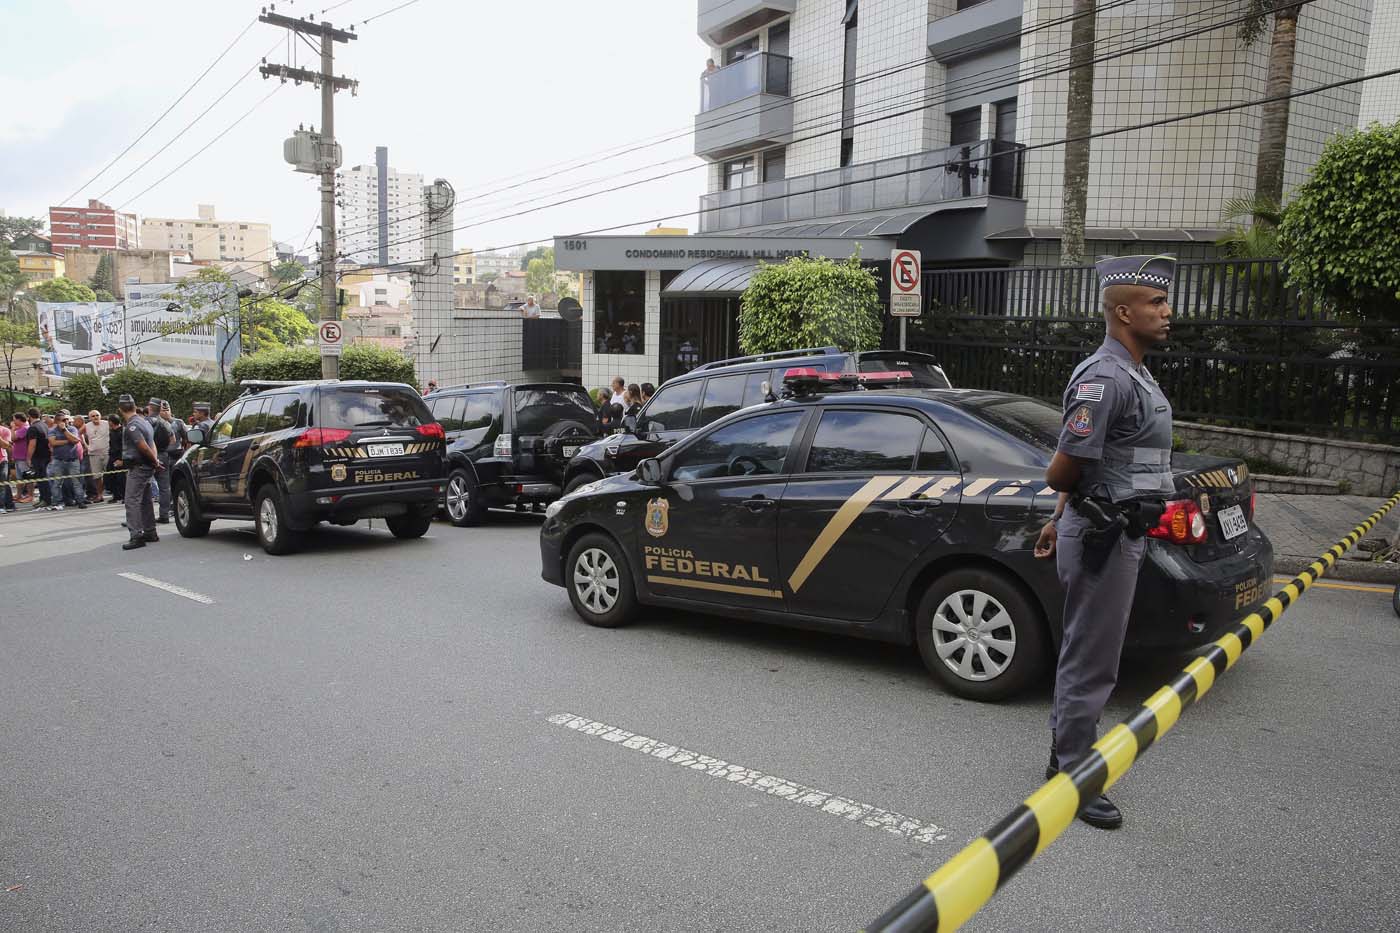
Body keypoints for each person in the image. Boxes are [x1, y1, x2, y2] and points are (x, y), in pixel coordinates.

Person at [1033, 254, 1177, 831]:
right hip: (1103, 534)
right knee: (1091, 658)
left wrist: (1057, 517)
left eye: (1165, 302)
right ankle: (1074, 774)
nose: (1168, 313)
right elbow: (1062, 470)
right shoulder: (1106, 378)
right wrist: (1062, 510)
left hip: (1116, 528)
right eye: (1156, 304)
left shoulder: (1136, 371)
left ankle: (1062, 753)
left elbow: (1111, 459)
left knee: (1091, 650)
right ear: (1123, 311)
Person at [119, 395, 163, 550]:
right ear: (134, 405)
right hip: (146, 466)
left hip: (138, 467)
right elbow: (152, 445)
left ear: (120, 409)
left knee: (131, 501)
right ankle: (150, 532)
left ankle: (136, 536)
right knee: (145, 500)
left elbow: (143, 446)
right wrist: (155, 461)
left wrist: (155, 461)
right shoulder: (144, 422)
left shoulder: (132, 425)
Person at [46, 410, 86, 510]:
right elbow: (53, 443)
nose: (65, 421)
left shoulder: (72, 429)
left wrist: (64, 430)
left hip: (73, 460)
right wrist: (69, 441)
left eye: (66, 419)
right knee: (57, 483)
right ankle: (57, 502)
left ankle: (80, 501)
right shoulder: (52, 430)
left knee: (76, 482)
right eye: (62, 420)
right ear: (57, 421)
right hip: (58, 460)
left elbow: (76, 440)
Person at [145, 398, 174, 524]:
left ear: (150, 408)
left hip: (148, 456)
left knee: (143, 486)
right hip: (163, 455)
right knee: (164, 488)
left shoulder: (145, 422)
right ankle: (164, 515)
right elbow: (172, 440)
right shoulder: (166, 423)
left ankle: (143, 517)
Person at [27, 407, 52, 509]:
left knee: (41, 479)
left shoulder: (33, 428)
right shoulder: (44, 425)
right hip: (46, 455)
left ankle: (45, 500)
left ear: (29, 416)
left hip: (38, 457)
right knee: (44, 478)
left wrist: (28, 458)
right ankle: (44, 498)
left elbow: (32, 444)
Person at [84, 410, 110, 502]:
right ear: (90, 418)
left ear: (100, 415)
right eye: (93, 416)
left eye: (97, 415)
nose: (95, 417)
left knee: (110, 475)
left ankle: (117, 493)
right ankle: (99, 495)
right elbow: (78, 434)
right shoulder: (86, 426)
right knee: (97, 476)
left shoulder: (107, 423)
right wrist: (86, 446)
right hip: (94, 454)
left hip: (107, 452)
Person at [10, 412, 31, 504]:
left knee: (27, 477)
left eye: (14, 419)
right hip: (18, 457)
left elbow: (13, 438)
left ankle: (30, 495)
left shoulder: (25, 428)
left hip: (23, 458)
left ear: (19, 420)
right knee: (19, 478)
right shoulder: (21, 428)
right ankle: (19, 495)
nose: (13, 421)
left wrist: (12, 429)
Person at [106, 413, 126, 503]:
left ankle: (125, 496)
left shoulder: (122, 431)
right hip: (112, 457)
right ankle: (116, 496)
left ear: (111, 422)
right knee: (110, 476)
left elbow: (123, 446)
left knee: (121, 478)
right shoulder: (112, 431)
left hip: (120, 457)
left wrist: (121, 459)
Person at [0, 415, 13, 513]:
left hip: (2, 460)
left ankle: (2, 506)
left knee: (2, 484)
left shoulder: (5, 430)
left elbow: (7, 445)